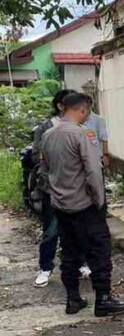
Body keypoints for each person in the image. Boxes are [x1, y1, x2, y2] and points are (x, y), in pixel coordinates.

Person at [40, 93, 124, 316]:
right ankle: (103, 299)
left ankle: (73, 299)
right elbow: (93, 170)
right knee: (99, 250)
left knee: (70, 252)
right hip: (85, 205)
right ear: (83, 110)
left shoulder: (48, 135)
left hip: (61, 205)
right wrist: (99, 200)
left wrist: (56, 194)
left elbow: (44, 169)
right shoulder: (82, 134)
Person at [32, 88, 74, 287]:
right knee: (51, 229)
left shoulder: (78, 126)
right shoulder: (46, 128)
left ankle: (80, 263)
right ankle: (45, 267)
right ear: (60, 106)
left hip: (75, 188)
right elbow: (37, 155)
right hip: (51, 187)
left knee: (76, 229)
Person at [82, 94, 111, 170]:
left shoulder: (98, 120)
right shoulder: (76, 120)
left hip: (96, 157)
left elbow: (104, 138)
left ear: (91, 105)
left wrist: (105, 155)